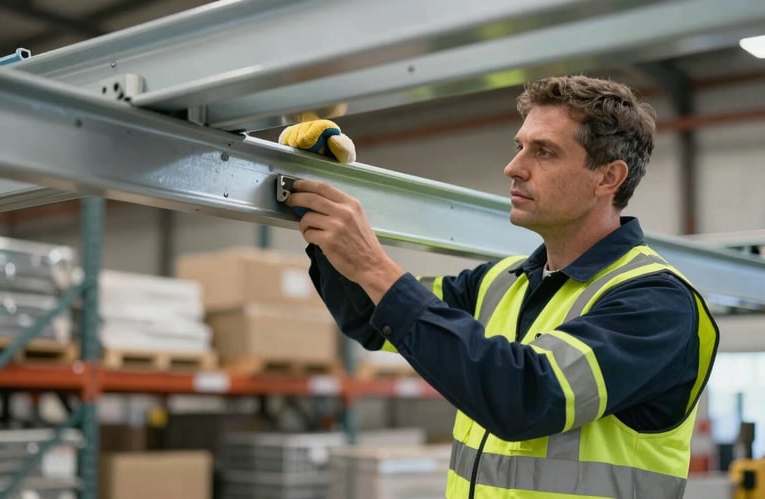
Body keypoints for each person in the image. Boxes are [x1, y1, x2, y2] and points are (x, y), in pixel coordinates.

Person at [283, 75, 719, 499]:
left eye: (544, 152)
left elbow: (527, 398)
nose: (513, 167)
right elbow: (375, 317)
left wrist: (373, 263)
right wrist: (322, 204)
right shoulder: (500, 282)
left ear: (607, 178)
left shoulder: (657, 303)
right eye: (519, 147)